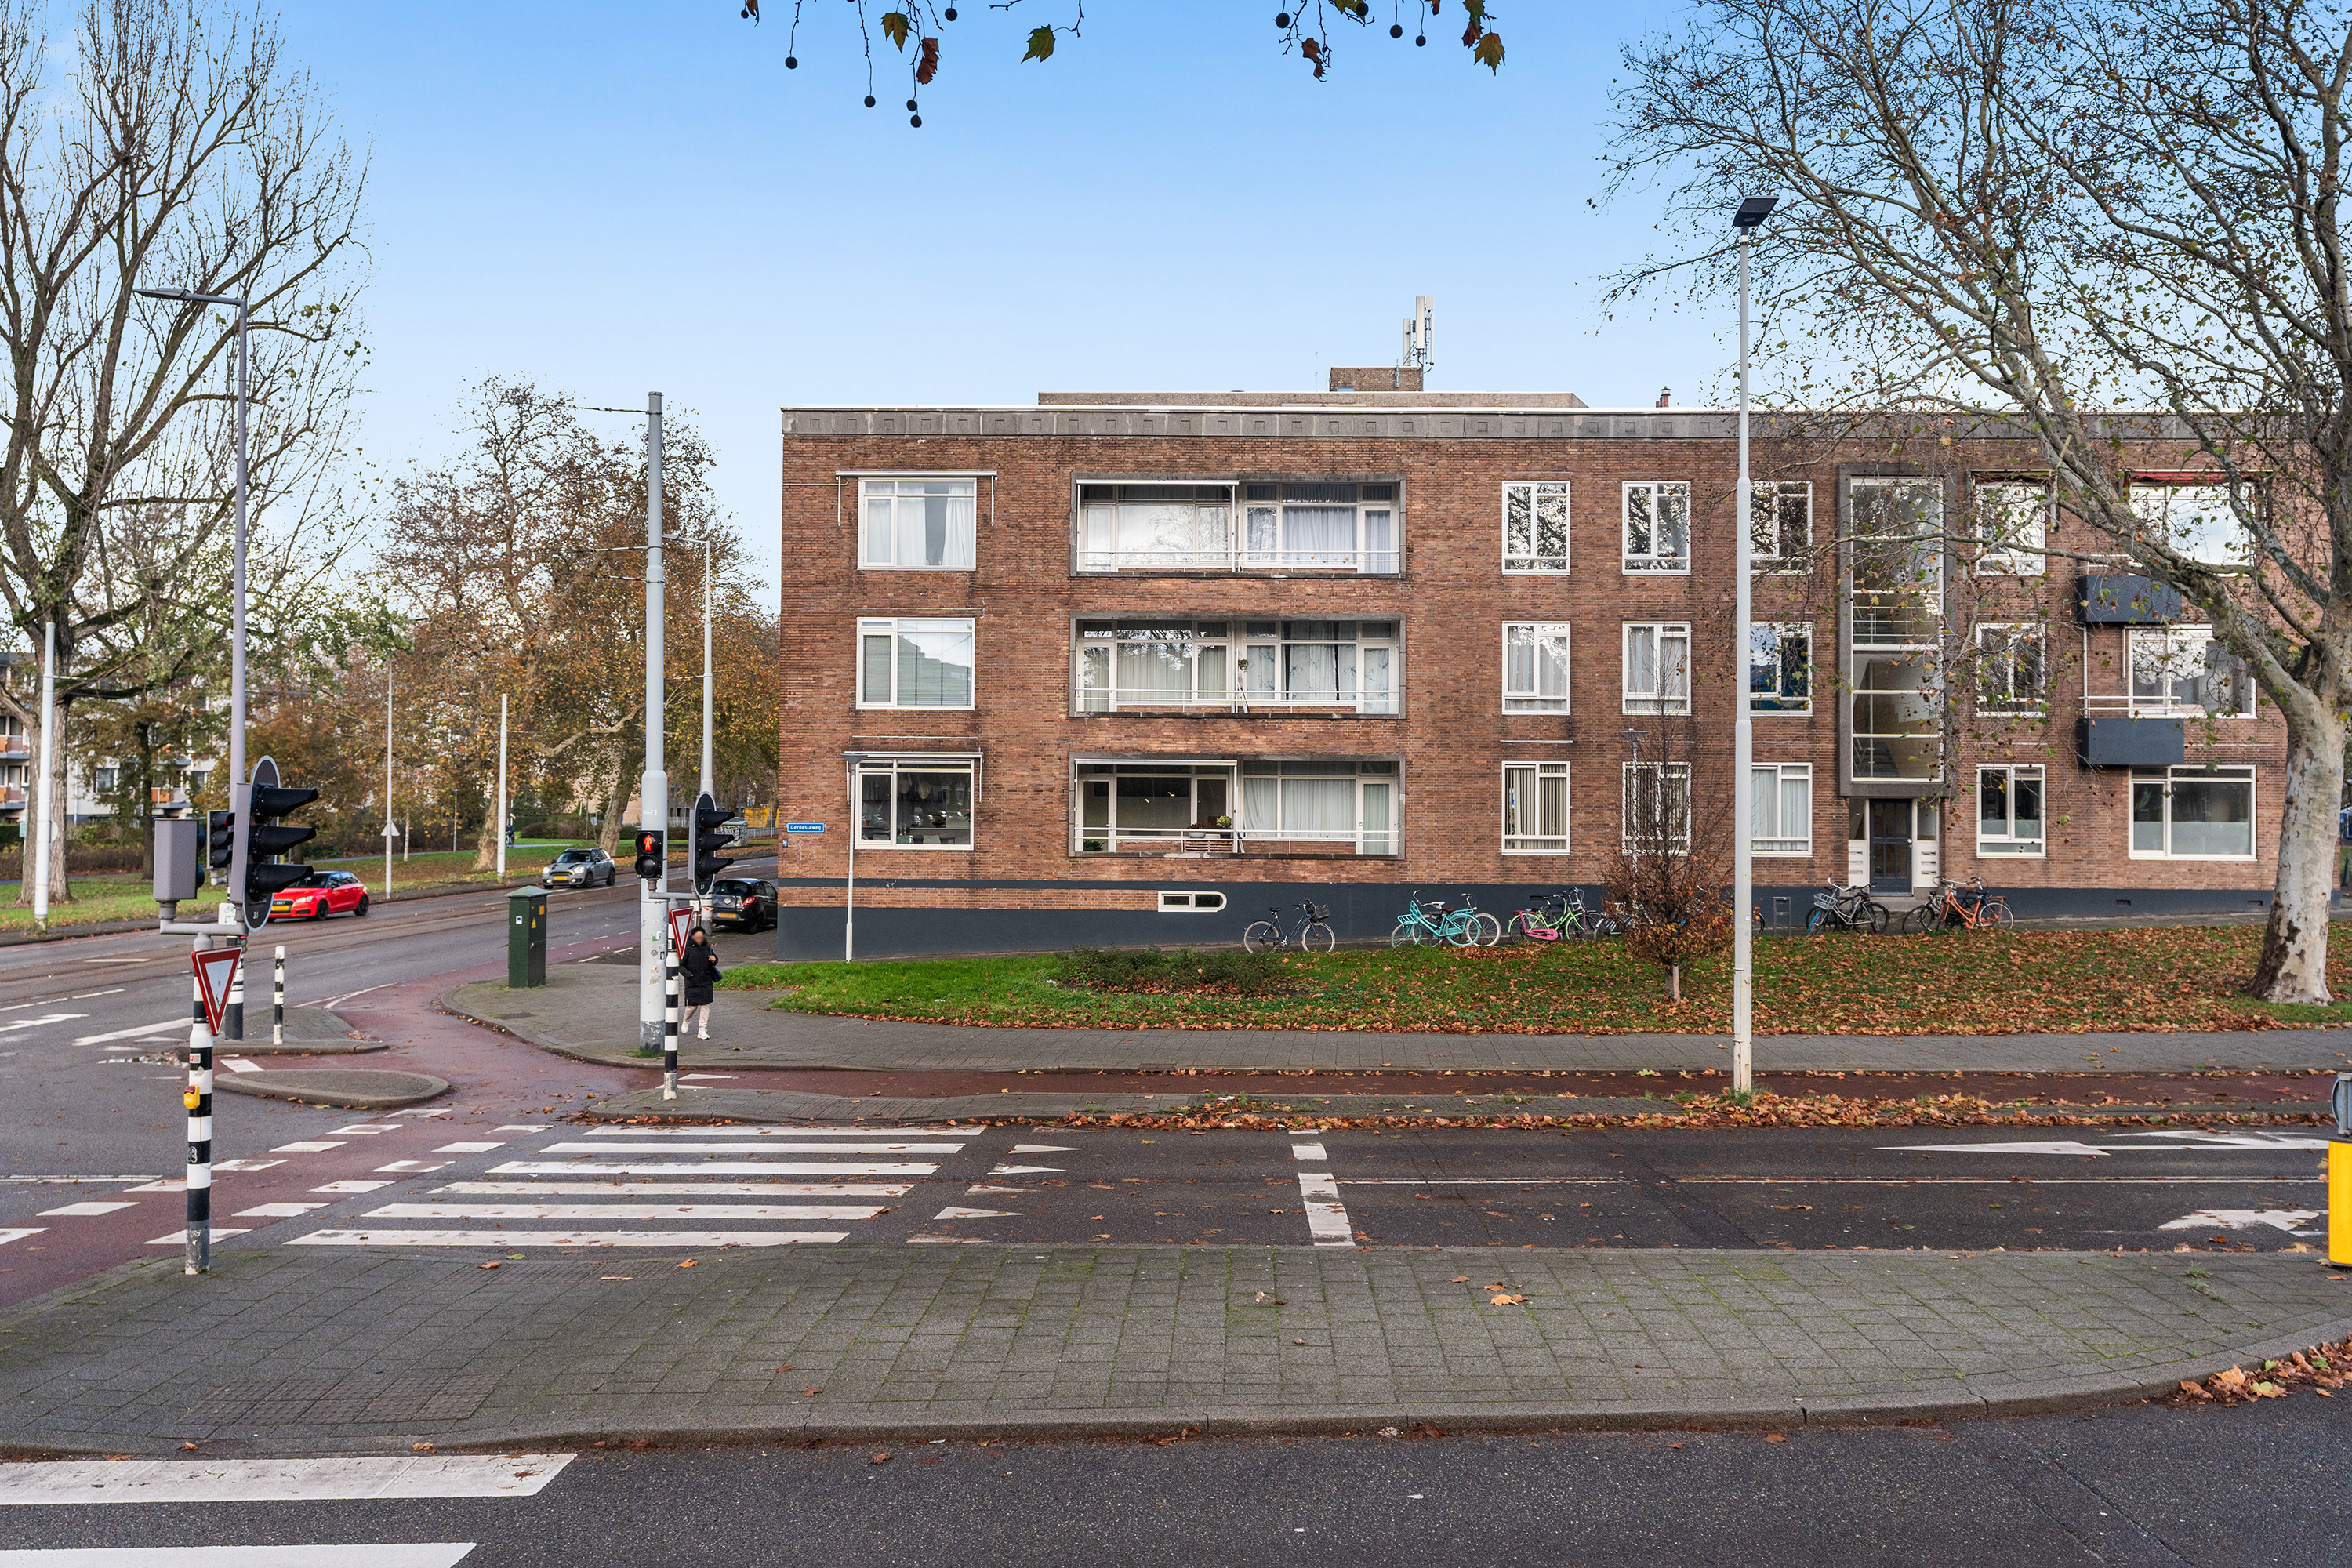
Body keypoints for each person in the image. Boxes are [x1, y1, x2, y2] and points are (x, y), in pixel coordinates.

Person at [680, 926, 722, 1040]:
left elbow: (714, 960)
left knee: (705, 1006)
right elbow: (680, 965)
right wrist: (689, 975)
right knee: (692, 1007)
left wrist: (714, 960)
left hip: (706, 980)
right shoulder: (686, 949)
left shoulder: (706, 948)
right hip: (692, 982)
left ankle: (702, 1030)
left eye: (701, 937)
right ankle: (686, 1020)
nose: (699, 940)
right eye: (697, 937)